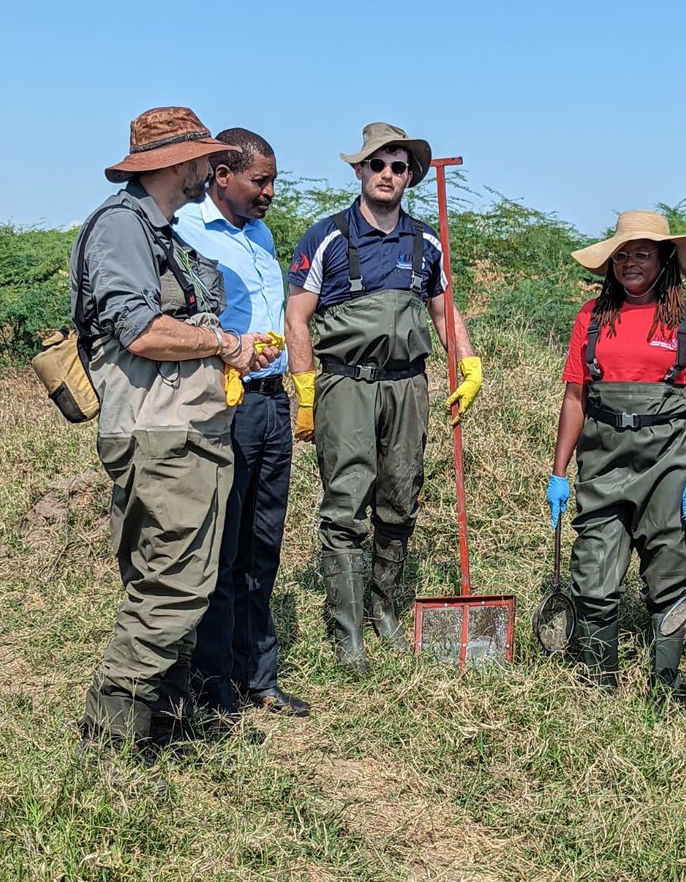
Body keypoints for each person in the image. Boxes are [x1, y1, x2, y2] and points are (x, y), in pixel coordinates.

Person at [72, 106, 279, 752]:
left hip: (185, 428)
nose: (210, 170)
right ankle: (108, 745)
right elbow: (140, 328)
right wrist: (225, 342)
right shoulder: (121, 228)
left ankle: (162, 725)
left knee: (178, 581)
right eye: (203, 159)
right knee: (172, 585)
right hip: (157, 432)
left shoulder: (160, 231)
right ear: (177, 163)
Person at [285, 122, 482, 674]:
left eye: (398, 166)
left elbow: (444, 311)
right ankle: (347, 634)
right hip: (345, 384)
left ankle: (383, 609)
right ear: (359, 171)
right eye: (378, 164)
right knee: (347, 503)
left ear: (410, 176)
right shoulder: (325, 236)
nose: (388, 174)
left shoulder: (426, 242)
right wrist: (304, 390)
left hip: (408, 385)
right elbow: (297, 317)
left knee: (400, 497)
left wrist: (466, 362)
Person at [547, 211, 686, 697]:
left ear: (664, 259)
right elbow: (575, 398)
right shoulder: (591, 316)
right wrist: (559, 471)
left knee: (668, 577)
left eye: (642, 253)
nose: (630, 263)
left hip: (668, 462)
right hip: (603, 462)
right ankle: (600, 688)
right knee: (592, 579)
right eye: (622, 254)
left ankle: (663, 690)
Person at [174, 128, 310, 719]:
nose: (270, 192)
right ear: (221, 175)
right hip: (223, 402)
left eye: (273, 181)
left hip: (272, 402)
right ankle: (215, 683)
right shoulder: (186, 231)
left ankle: (261, 676)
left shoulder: (260, 234)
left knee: (263, 544)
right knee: (223, 548)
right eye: (260, 180)